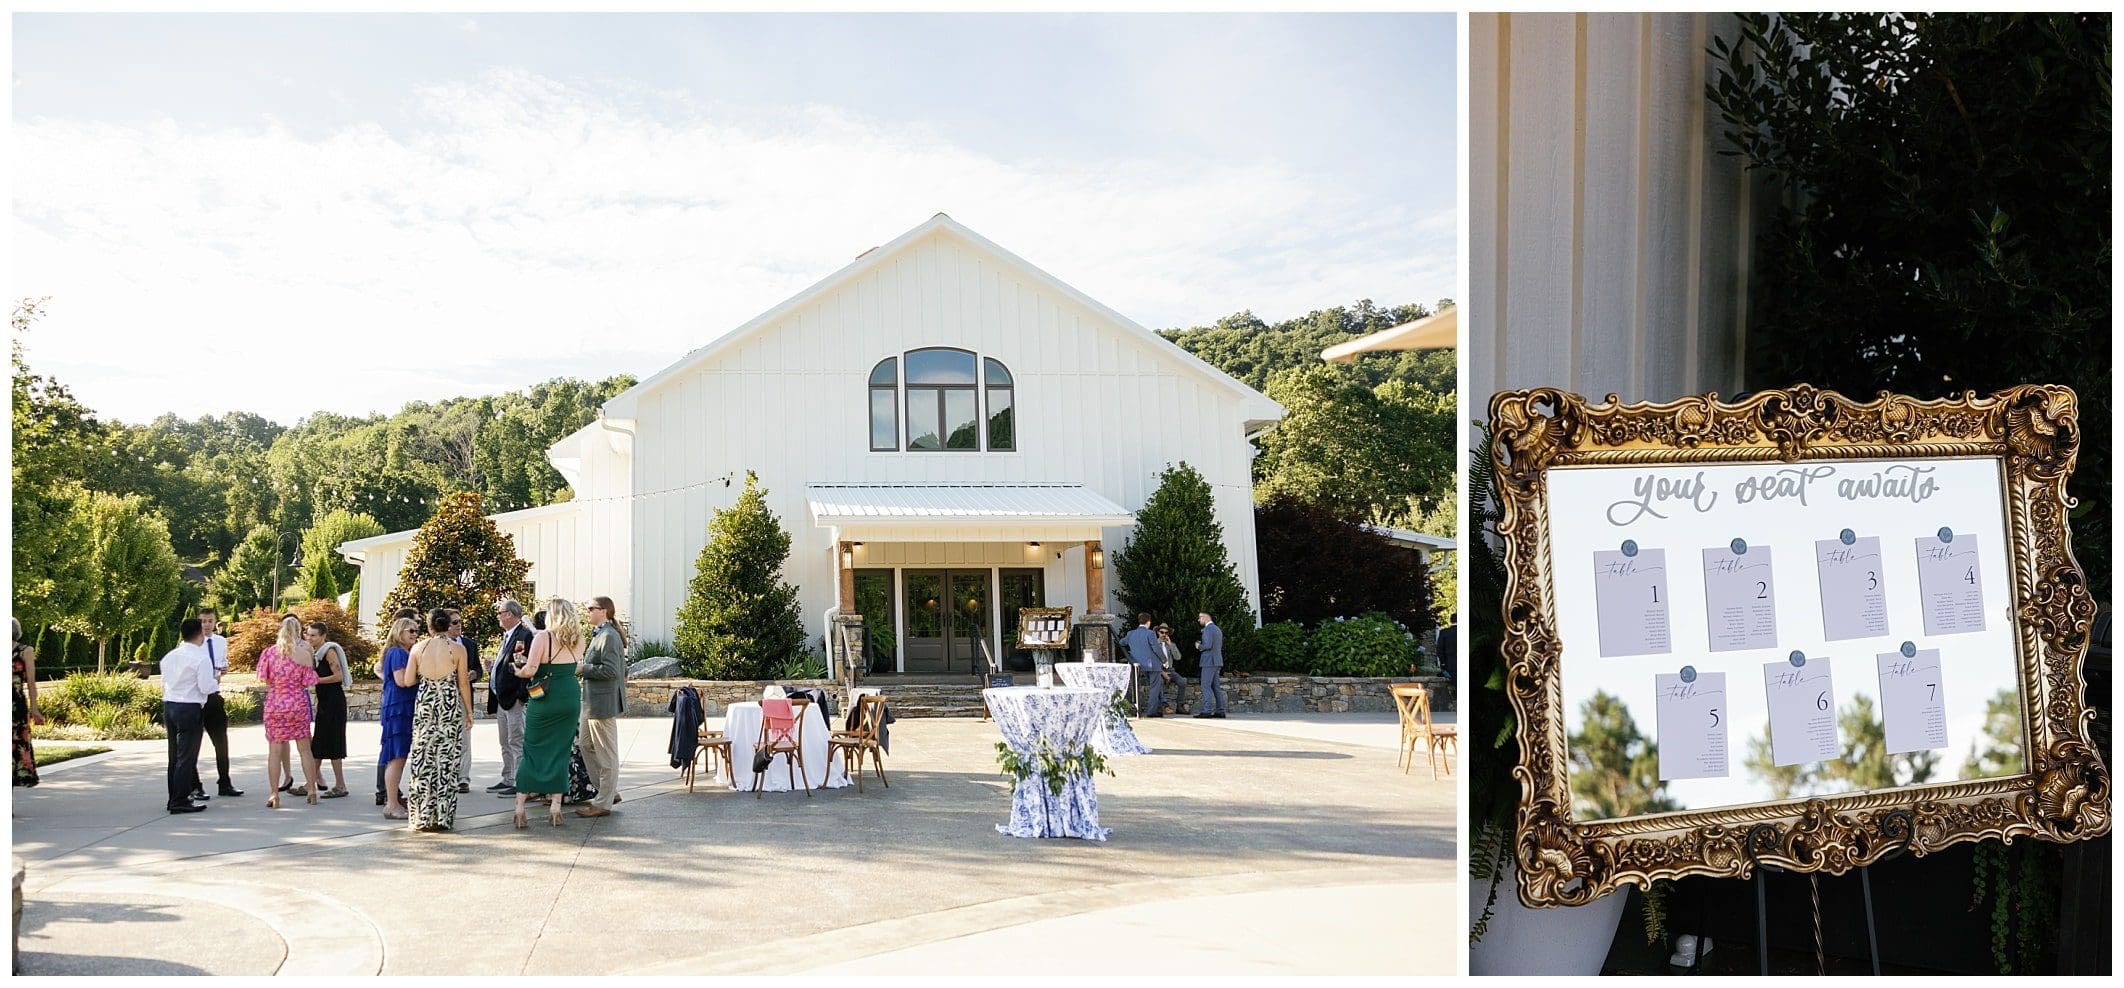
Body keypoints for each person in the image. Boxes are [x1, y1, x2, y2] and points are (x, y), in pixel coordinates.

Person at [514, 597, 582, 828]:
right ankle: (555, 808)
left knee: (533, 748)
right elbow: (574, 665)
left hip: (544, 697)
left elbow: (531, 670)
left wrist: (518, 670)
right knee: (561, 752)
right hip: (570, 695)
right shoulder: (579, 638)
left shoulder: (543, 636)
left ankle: (520, 808)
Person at [404, 609, 471, 832]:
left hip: (426, 703)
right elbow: (463, 684)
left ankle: (421, 816)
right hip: (448, 704)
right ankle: (443, 816)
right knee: (446, 760)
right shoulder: (458, 649)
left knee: (423, 758)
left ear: (430, 626)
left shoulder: (418, 648)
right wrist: (469, 712)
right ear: (446, 625)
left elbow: (407, 680)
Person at [258, 616, 323, 808]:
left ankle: (274, 794)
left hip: (276, 703)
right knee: (304, 749)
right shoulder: (304, 654)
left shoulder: (269, 653)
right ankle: (312, 790)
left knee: (275, 751)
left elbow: (265, 679)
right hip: (297, 702)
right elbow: (309, 681)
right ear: (297, 631)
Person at [576, 596, 627, 818]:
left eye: (591, 608)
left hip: (602, 703)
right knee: (586, 745)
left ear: (604, 611)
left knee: (606, 754)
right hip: (590, 702)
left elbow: (611, 671)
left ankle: (603, 802)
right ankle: (608, 791)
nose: (588, 612)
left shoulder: (609, 636)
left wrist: (582, 668)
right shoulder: (600, 634)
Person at [160, 619, 212, 814]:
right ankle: (180, 799)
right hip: (190, 707)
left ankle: (173, 796)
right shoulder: (201, 658)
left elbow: (164, 683)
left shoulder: (169, 656)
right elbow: (206, 687)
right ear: (200, 634)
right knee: (187, 757)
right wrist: (215, 681)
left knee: (174, 755)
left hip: (170, 705)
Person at [191, 608, 243, 800]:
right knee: (193, 744)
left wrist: (221, 671)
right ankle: (195, 786)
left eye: (209, 621)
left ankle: (225, 782)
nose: (206, 625)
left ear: (215, 622)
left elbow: (222, 665)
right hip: (196, 698)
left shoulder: (220, 641)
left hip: (214, 695)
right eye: (203, 621)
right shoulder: (192, 643)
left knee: (221, 742)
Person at [487, 598, 535, 796]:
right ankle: (508, 777)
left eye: (501, 612)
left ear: (510, 614)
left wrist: (521, 696)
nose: (498, 616)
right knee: (504, 740)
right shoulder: (507, 636)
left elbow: (522, 665)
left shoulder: (522, 635)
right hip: (501, 698)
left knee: (516, 739)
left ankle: (520, 780)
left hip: (513, 698)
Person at [378, 606, 421, 805]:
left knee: (399, 755)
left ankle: (392, 801)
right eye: (410, 630)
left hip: (401, 707)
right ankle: (391, 803)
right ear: (399, 632)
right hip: (398, 708)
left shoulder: (402, 652)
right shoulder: (398, 653)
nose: (415, 634)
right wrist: (424, 675)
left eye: (416, 630)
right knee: (397, 755)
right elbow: (402, 680)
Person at [303, 621, 351, 798]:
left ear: (323, 636)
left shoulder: (328, 651)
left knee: (332, 742)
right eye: (308, 634)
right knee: (320, 743)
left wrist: (317, 680)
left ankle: (339, 785)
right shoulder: (316, 653)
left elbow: (338, 676)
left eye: (314, 635)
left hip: (334, 702)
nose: (310, 638)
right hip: (325, 702)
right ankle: (311, 783)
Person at [446, 610, 479, 794]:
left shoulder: (469, 644)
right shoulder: (439, 646)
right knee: (448, 739)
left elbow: (478, 669)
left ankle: (463, 779)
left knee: (465, 739)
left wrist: (474, 674)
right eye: (454, 622)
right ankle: (448, 775)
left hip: (464, 696)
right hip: (446, 697)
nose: (458, 625)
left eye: (460, 621)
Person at [14, 619, 45, 788]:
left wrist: (34, 709)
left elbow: (31, 682)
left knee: (14, 749)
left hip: (15, 708)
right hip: (16, 704)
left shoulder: (25, 651)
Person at [1122, 613, 1162, 717]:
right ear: (1148, 622)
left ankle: (1137, 709)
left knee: (1136, 686)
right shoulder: (1150, 633)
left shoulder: (1131, 633)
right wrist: (1164, 659)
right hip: (1152, 664)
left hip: (1137, 664)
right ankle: (1151, 711)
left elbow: (1121, 642)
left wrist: (1130, 653)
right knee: (1154, 688)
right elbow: (1156, 649)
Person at [1193, 612, 1227, 718]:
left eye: (1200, 618)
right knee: (1216, 687)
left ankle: (1207, 710)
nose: (1199, 620)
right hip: (1217, 661)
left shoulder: (1208, 629)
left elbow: (1207, 645)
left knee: (1205, 685)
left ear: (1205, 617)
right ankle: (1220, 710)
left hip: (1208, 662)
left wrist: (1198, 646)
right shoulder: (1217, 629)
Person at [1154, 624, 1187, 716]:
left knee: (1182, 682)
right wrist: (1162, 672)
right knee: (1159, 682)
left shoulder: (1171, 645)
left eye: (1166, 633)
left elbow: (1178, 657)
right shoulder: (1154, 644)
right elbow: (1153, 661)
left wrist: (1171, 645)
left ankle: (1180, 706)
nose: (1164, 634)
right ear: (1158, 633)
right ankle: (1161, 706)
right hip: (1159, 670)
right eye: (1162, 632)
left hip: (1170, 670)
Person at [1437, 615, 1458, 681]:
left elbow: (1439, 650)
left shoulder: (1444, 632)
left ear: (1450, 620)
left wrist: (1442, 663)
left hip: (1450, 665)